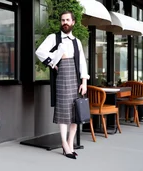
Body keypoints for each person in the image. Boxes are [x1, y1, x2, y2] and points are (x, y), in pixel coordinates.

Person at [35, 11, 89, 159]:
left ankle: (70, 144)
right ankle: (64, 144)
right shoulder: (54, 37)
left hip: (76, 79)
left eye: (67, 20)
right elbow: (39, 52)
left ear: (73, 22)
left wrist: (84, 82)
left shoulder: (76, 41)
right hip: (62, 77)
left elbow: (82, 62)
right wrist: (52, 62)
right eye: (62, 20)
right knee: (64, 112)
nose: (64, 22)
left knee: (75, 112)